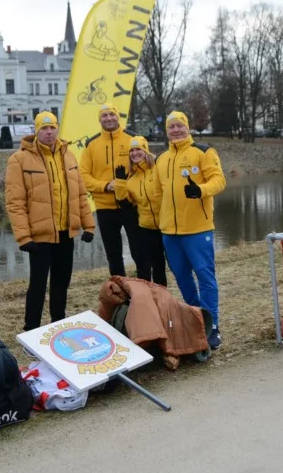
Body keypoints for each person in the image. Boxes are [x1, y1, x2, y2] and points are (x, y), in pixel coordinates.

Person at [5, 111, 95, 331]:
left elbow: (80, 195)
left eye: (52, 127)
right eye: (43, 128)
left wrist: (88, 224)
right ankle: (32, 329)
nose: (48, 132)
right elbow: (15, 202)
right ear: (36, 131)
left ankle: (58, 325)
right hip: (40, 236)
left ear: (57, 129)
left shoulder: (69, 155)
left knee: (61, 283)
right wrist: (24, 236)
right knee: (37, 285)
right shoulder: (19, 159)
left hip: (66, 233)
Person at [154, 110, 227, 349]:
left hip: (197, 229)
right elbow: (157, 194)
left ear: (187, 128)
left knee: (205, 277)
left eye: (179, 126)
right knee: (183, 278)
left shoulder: (203, 152)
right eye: (171, 126)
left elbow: (219, 180)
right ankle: (198, 319)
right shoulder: (161, 158)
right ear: (166, 131)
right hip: (170, 233)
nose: (175, 130)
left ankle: (212, 324)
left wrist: (201, 190)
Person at [79, 103, 142, 277]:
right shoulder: (91, 144)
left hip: (131, 205)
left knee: (140, 253)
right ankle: (120, 297)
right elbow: (83, 175)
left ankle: (145, 294)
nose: (108, 118)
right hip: (105, 208)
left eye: (112, 115)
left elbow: (145, 170)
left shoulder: (133, 139)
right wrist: (105, 186)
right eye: (104, 115)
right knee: (113, 257)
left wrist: (126, 187)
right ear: (99, 119)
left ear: (118, 116)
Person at [115, 135, 167, 286]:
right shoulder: (131, 179)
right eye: (132, 150)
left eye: (138, 149)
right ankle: (156, 301)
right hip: (147, 228)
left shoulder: (157, 168)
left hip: (166, 225)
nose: (135, 153)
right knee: (156, 267)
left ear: (145, 150)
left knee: (174, 265)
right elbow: (124, 203)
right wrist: (119, 182)